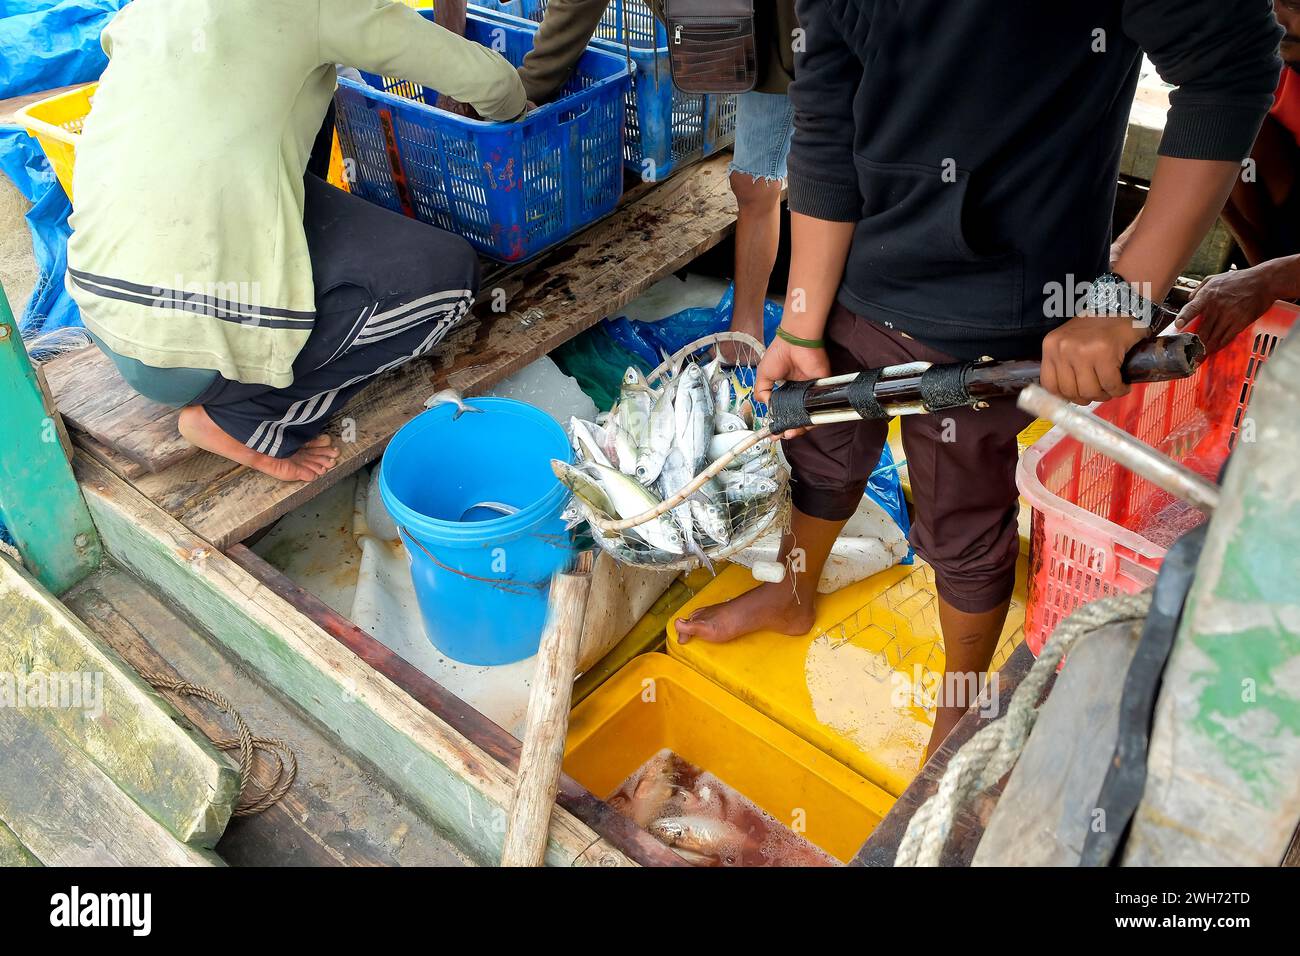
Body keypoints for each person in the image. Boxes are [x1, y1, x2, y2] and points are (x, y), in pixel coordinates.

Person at [674, 0, 1282, 758]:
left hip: (1003, 307)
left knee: (961, 520)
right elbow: (826, 127)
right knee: (821, 452)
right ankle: (795, 593)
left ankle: (957, 715)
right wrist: (800, 323)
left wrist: (1125, 298)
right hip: (853, 277)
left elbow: (1230, 63)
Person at [67, 0, 527, 482]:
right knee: (450, 277)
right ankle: (245, 417)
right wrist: (522, 110)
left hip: (104, 309)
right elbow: (491, 84)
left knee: (297, 92)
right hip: (187, 357)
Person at [516, 0, 798, 360]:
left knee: (758, 182)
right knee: (757, 180)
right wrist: (523, 90)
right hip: (731, 37)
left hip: (798, 36)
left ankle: (751, 334)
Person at [1166, 0, 1300, 350]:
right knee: (1230, 139)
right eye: (1273, 2)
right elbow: (1208, 174)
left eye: (1296, 6)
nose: (1279, 20)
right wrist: (1259, 280)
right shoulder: (1269, 62)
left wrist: (1268, 281)